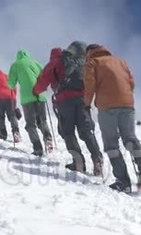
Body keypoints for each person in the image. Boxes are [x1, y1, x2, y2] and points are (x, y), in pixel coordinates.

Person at [84, 44, 141, 192]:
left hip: (107, 106)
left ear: (89, 53)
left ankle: (123, 181)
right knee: (130, 138)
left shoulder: (92, 63)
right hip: (127, 104)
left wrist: (86, 104)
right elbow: (131, 82)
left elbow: (89, 85)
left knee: (111, 144)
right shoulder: (121, 61)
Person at [34, 42, 103, 175]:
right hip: (82, 99)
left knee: (68, 132)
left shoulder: (54, 63)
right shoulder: (78, 62)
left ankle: (78, 162)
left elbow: (41, 83)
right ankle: (97, 158)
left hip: (65, 101)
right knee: (86, 131)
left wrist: (36, 91)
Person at [8, 50, 53, 156]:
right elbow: (44, 75)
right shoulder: (35, 62)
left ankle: (38, 148)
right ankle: (48, 139)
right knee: (42, 121)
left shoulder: (15, 65)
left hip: (27, 98)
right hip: (40, 95)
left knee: (30, 124)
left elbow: (11, 84)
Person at [0, 69, 21, 142]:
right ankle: (16, 132)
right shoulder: (7, 76)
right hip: (10, 98)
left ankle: (3, 133)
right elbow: (14, 86)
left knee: (0, 116)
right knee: (12, 115)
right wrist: (14, 96)